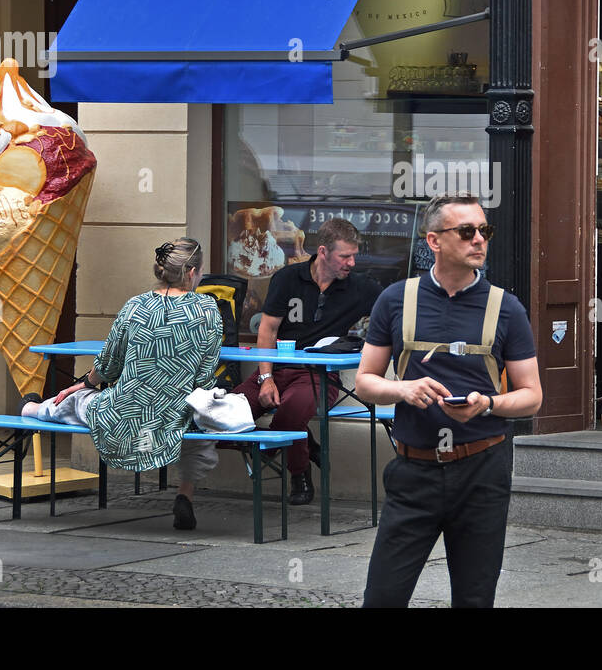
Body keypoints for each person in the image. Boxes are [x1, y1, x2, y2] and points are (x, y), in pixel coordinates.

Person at [355, 194, 542, 607]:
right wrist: (402, 389)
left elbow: (532, 397)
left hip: (481, 470)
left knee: (474, 599)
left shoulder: (506, 307)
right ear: (434, 241)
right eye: (467, 231)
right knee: (383, 597)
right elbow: (365, 381)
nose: (479, 240)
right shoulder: (395, 299)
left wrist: (488, 403)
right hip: (414, 469)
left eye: (484, 231)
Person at [21, 237, 223, 530]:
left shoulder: (135, 307)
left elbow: (109, 364)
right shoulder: (207, 309)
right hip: (176, 412)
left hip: (126, 413)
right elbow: (205, 375)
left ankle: (31, 409)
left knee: (79, 403)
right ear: (192, 273)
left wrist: (85, 384)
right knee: (201, 432)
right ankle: (185, 494)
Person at [231, 217, 381, 505]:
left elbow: (394, 308)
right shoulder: (287, 278)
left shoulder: (361, 287)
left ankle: (297, 473)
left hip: (318, 374)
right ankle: (306, 442)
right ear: (323, 252)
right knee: (228, 413)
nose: (351, 263)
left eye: (354, 256)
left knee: (292, 408)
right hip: (275, 367)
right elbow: (268, 329)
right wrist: (266, 378)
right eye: (345, 256)